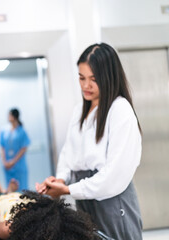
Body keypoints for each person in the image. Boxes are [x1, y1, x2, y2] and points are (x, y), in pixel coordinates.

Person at [36, 43, 143, 240]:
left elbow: (114, 176)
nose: (86, 86)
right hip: (85, 200)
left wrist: (68, 189)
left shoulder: (120, 110)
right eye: (81, 77)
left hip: (112, 202)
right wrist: (61, 179)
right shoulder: (80, 111)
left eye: (94, 79)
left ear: (109, 77)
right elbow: (69, 154)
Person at [0, 189, 100, 240]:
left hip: (19, 201)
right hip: (4, 206)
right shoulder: (11, 228)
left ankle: (7, 192)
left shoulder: (56, 222)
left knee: (6, 197)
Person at [0, 108, 30, 191]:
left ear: (14, 116)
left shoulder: (21, 131)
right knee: (10, 190)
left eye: (9, 115)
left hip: (18, 166)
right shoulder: (4, 131)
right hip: (8, 167)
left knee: (21, 190)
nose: (8, 117)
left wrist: (13, 162)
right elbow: (2, 147)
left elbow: (23, 149)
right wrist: (4, 162)